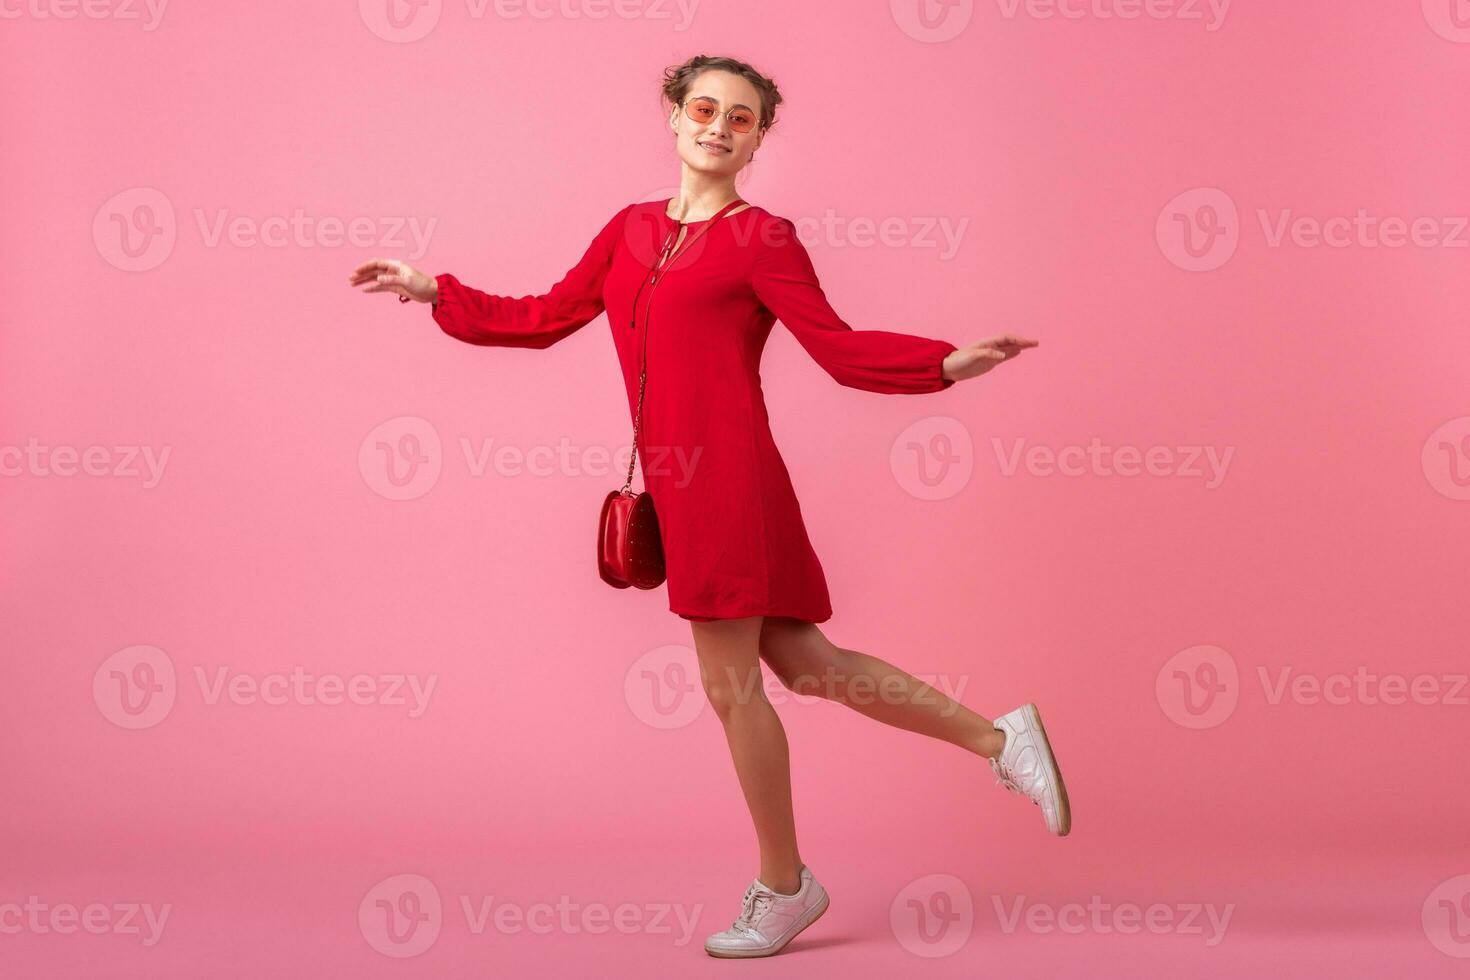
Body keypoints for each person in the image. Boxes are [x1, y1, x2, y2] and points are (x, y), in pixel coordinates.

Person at [347, 54, 1069, 960]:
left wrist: (944, 363)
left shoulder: (763, 239)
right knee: (804, 664)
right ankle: (998, 738)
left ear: (761, 138)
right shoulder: (629, 229)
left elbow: (838, 349)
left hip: (729, 479)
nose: (718, 128)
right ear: (673, 115)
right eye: (704, 109)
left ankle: (784, 885)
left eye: (741, 118)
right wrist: (434, 290)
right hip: (676, 481)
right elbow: (543, 315)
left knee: (731, 688)